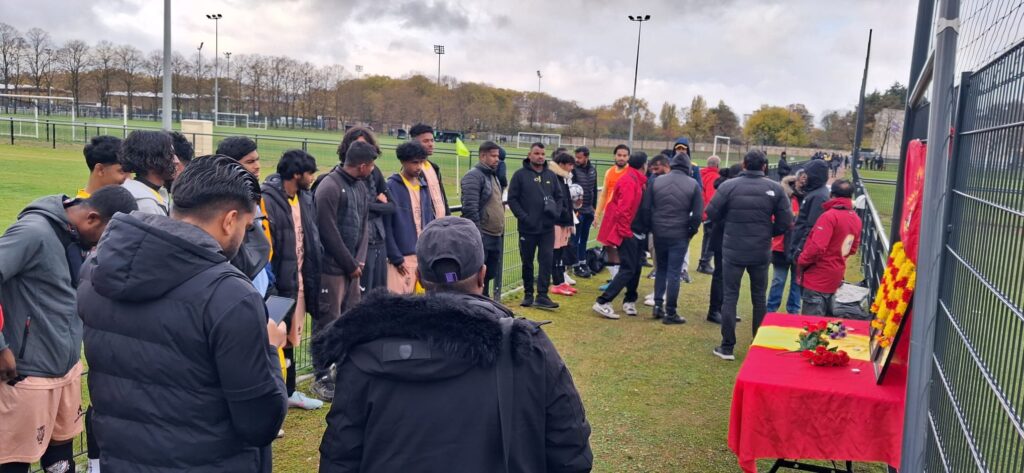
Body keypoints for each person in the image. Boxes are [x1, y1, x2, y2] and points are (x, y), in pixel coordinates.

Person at [313, 216, 593, 472]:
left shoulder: (364, 351)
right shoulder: (527, 347)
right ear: (483, 275)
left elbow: (339, 458)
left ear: (420, 279)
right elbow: (571, 452)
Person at [79, 156, 287, 472]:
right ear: (230, 220)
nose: (245, 236)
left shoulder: (95, 271)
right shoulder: (230, 296)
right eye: (247, 227)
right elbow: (259, 422)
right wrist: (269, 348)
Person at [0, 187, 137, 473]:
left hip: (66, 370)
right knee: (14, 463)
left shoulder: (75, 235)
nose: (105, 244)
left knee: (61, 463)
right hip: (26, 376)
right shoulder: (33, 232)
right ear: (92, 218)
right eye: (106, 236)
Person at [705, 150, 792, 360]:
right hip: (759, 249)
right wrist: (767, 232)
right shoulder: (775, 188)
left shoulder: (729, 186)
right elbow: (785, 221)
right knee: (759, 297)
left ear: (744, 164)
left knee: (730, 296)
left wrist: (731, 224)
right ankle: (757, 343)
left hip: (734, 249)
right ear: (764, 166)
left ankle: (727, 346)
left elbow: (712, 212)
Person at [312, 141, 378, 401]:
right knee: (328, 322)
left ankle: (344, 371)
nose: (373, 170)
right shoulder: (329, 186)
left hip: (352, 271)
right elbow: (327, 230)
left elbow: (364, 226)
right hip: (331, 269)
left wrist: (359, 261)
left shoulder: (360, 187)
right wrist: (350, 264)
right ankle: (321, 376)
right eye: (371, 165)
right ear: (362, 165)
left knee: (351, 319)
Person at [261, 149, 324, 411]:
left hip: (300, 282)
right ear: (297, 174)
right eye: (310, 173)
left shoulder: (305, 198)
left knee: (290, 339)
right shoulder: (268, 199)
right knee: (276, 339)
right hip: (279, 285)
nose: (313, 178)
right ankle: (278, 393)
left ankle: (289, 391)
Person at [645, 152, 703, 324]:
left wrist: (653, 227)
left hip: (659, 231)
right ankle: (670, 312)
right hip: (679, 232)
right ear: (688, 168)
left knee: (661, 269)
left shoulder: (657, 181)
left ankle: (657, 306)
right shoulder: (693, 184)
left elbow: (646, 207)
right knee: (674, 273)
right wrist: (690, 232)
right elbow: (697, 214)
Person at [592, 151, 648, 320]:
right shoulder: (629, 181)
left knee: (636, 266)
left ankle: (630, 300)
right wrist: (626, 233)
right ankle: (603, 301)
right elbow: (623, 210)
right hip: (628, 232)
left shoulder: (636, 180)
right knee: (628, 268)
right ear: (644, 165)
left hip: (636, 231)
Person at [337, 127, 394, 291]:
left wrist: (368, 206)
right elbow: (350, 210)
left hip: (379, 239)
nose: (362, 149)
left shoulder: (374, 172)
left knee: (379, 294)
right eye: (357, 144)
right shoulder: (339, 176)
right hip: (358, 245)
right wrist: (376, 205)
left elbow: (392, 206)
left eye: (366, 145)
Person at [507, 142, 562, 309]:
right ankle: (528, 294)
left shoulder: (551, 175)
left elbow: (559, 197)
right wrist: (524, 217)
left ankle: (542, 295)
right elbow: (512, 199)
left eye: (543, 154)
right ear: (529, 155)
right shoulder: (520, 175)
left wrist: (556, 214)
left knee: (546, 260)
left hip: (547, 229)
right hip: (527, 228)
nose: (540, 157)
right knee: (527, 262)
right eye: (537, 153)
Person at [797, 180, 862, 316]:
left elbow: (817, 247)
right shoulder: (855, 219)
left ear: (832, 195)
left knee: (811, 324)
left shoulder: (829, 216)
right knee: (828, 321)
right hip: (836, 275)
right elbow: (852, 248)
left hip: (817, 277)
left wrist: (801, 260)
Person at [216, 136, 274, 284]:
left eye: (257, 160)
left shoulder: (255, 196)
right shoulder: (223, 202)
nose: (257, 166)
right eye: (250, 162)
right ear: (230, 165)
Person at [386, 141, 441, 295]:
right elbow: (386, 226)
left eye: (421, 162)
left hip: (421, 258)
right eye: (414, 163)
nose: (418, 167)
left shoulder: (424, 187)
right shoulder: (391, 186)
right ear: (403, 162)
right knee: (396, 303)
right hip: (400, 259)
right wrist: (396, 257)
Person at [460, 140, 505, 301]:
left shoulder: (493, 175)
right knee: (476, 274)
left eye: (497, 156)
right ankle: (474, 302)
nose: (497, 159)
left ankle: (484, 300)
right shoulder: (473, 176)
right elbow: (470, 208)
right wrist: (477, 234)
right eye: (493, 156)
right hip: (482, 234)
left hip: (495, 234)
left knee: (490, 272)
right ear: (482, 156)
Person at [766, 171, 804, 314]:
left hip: (800, 246)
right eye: (801, 179)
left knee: (796, 281)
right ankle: (771, 309)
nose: (802, 182)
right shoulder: (783, 196)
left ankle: (793, 311)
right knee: (778, 280)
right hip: (781, 245)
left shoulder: (809, 198)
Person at [594, 144, 631, 284]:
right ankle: (615, 278)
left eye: (624, 156)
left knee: (620, 247)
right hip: (609, 215)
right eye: (619, 155)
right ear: (614, 156)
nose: (622, 158)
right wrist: (597, 214)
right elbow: (604, 195)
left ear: (628, 157)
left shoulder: (630, 172)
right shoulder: (609, 172)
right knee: (608, 246)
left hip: (623, 216)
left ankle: (620, 279)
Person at [120, 130, 177, 215]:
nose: (176, 161)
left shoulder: (150, 192)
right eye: (170, 155)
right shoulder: (145, 204)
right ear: (152, 161)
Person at [789, 160, 831, 267]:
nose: (805, 177)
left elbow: (811, 227)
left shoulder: (818, 196)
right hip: (801, 246)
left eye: (807, 174)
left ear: (814, 175)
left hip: (804, 249)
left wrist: (799, 249)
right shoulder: (815, 193)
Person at [549, 151, 578, 296]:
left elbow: (567, 201)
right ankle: (556, 283)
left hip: (564, 221)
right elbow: (557, 201)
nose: (572, 168)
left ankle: (561, 281)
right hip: (557, 222)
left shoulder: (564, 179)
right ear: (561, 164)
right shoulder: (554, 178)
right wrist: (562, 214)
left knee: (560, 253)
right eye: (570, 165)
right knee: (555, 253)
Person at [409, 123, 451, 215]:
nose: (431, 144)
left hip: (441, 222)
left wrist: (448, 217)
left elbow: (442, 197)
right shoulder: (411, 170)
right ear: (414, 143)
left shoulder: (434, 167)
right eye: (425, 141)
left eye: (432, 140)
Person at [571, 146, 598, 278]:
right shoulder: (573, 170)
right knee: (575, 239)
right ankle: (575, 266)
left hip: (589, 210)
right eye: (576, 157)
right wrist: (574, 210)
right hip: (578, 211)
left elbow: (594, 189)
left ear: (586, 157)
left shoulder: (593, 170)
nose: (577, 160)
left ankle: (583, 263)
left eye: (579, 157)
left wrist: (594, 208)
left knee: (584, 239)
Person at [697, 155, 722, 275]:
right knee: (711, 238)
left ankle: (703, 262)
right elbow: (711, 196)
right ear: (717, 165)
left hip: (702, 210)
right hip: (709, 212)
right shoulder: (714, 177)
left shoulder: (701, 174)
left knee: (707, 237)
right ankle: (705, 263)